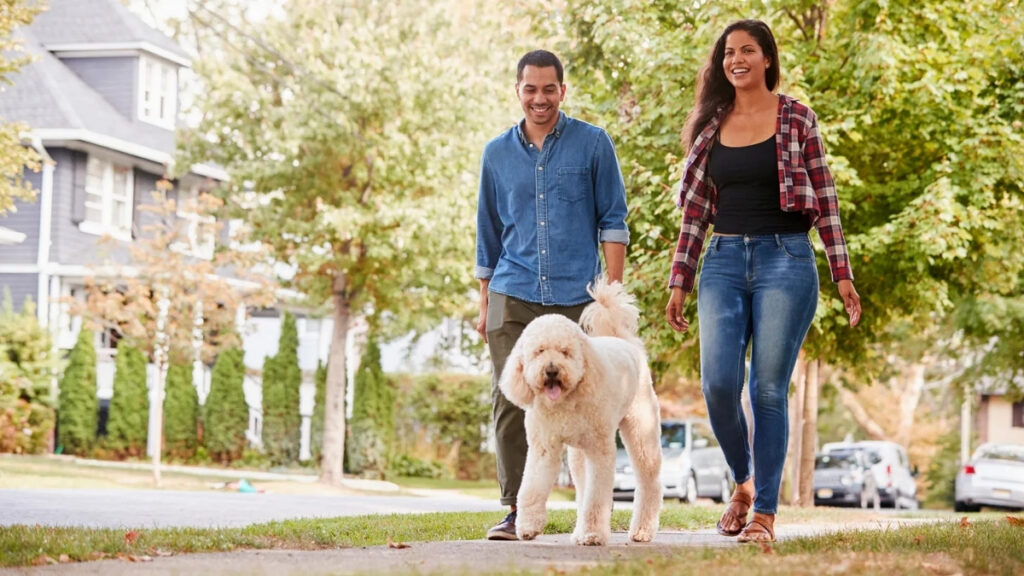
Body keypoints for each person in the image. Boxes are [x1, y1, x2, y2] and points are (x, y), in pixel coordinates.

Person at [664, 20, 862, 543]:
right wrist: (680, 278)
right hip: (723, 260)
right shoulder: (711, 125)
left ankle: (765, 515)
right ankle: (744, 482)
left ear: (767, 58)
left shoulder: (798, 117)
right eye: (729, 52)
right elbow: (695, 213)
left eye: (748, 50)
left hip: (785, 259)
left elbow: (826, 198)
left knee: (767, 389)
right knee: (718, 385)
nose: (736, 59)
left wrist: (841, 272)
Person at [475, 49, 630, 540]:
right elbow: (487, 235)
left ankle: (591, 511)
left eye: (548, 89)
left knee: (590, 399)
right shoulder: (496, 154)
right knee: (511, 401)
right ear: (517, 91)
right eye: (530, 89)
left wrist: (611, 296)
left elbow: (613, 221)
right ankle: (516, 510)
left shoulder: (593, 143)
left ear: (562, 90)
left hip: (576, 297)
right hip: (512, 290)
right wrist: (483, 304)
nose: (539, 99)